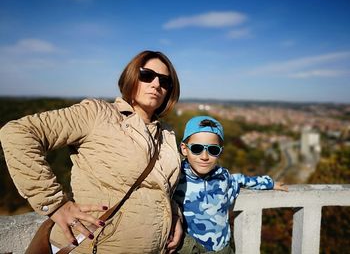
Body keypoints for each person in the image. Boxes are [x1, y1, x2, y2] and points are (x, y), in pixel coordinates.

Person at [0, 50, 183, 253]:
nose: (156, 84)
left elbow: (163, 187)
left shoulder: (166, 133)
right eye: (147, 75)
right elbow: (18, 133)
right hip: (94, 246)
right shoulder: (97, 113)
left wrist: (173, 215)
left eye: (165, 81)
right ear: (132, 76)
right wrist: (53, 203)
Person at [173, 116, 288, 253]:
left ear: (220, 151)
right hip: (191, 250)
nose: (204, 156)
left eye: (213, 150)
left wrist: (269, 183)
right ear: (184, 149)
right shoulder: (177, 178)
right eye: (197, 148)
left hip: (223, 250)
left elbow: (241, 180)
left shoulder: (224, 178)